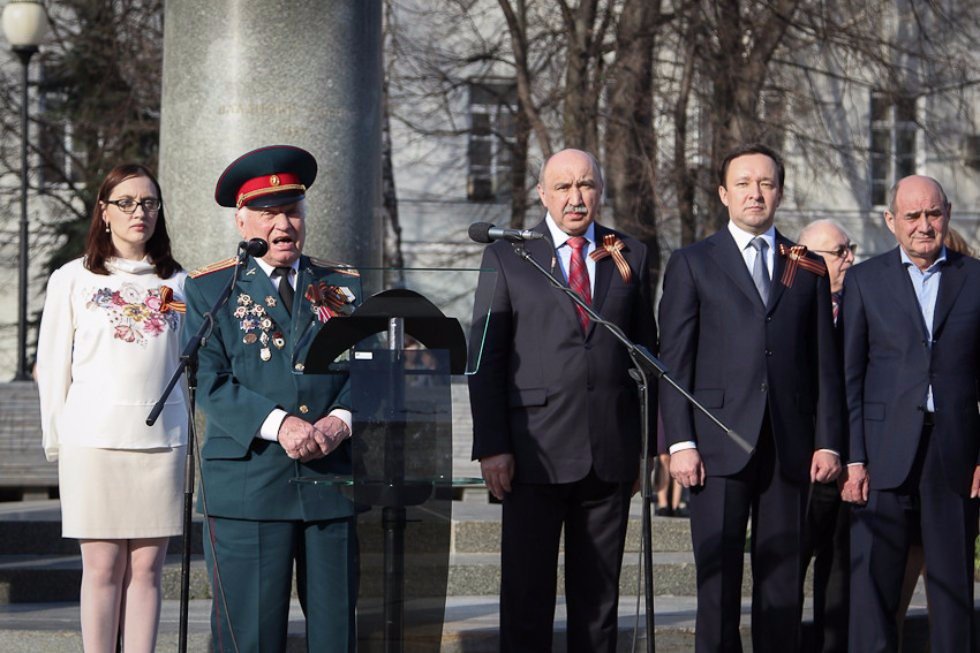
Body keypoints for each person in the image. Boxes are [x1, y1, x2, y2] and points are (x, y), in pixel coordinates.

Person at [468, 148, 657, 653]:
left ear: (600, 190)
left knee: (598, 606)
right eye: (564, 187)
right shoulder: (508, 255)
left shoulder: (629, 253)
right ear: (542, 194)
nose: (577, 198)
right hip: (533, 454)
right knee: (527, 599)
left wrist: (645, 446)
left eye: (587, 186)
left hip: (609, 454)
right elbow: (485, 356)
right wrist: (492, 445)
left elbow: (647, 354)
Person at [658, 143, 844, 653]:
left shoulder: (803, 266)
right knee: (717, 584)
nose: (755, 193)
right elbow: (673, 363)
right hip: (715, 446)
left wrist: (828, 442)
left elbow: (823, 363)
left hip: (789, 446)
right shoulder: (693, 263)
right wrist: (679, 442)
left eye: (765, 183)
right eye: (743, 184)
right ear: (723, 194)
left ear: (780, 192)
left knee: (782, 584)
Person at [183, 145, 360, 652]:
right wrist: (281, 424)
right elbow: (210, 380)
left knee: (335, 636)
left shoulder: (342, 286)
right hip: (250, 485)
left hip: (332, 481)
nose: (284, 224)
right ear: (243, 223)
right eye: (268, 213)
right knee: (251, 638)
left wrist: (340, 421)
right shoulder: (211, 288)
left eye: (293, 211)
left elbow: (370, 372)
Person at [36, 164, 187, 653]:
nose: (138, 212)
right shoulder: (72, 279)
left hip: (160, 441)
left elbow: (186, 356)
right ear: (103, 212)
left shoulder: (176, 285)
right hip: (93, 442)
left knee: (146, 570)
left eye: (148, 203)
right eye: (125, 202)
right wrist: (56, 438)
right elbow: (52, 363)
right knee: (102, 568)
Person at [842, 175, 980, 653]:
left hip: (954, 454)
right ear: (891, 221)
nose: (924, 226)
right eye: (913, 216)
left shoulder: (976, 278)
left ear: (948, 214)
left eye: (933, 214)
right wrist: (854, 457)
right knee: (873, 590)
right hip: (881, 457)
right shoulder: (865, 279)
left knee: (954, 588)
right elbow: (850, 378)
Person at [796, 218, 855, 653]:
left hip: (846, 466)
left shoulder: (861, 304)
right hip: (798, 466)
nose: (850, 258)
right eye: (839, 251)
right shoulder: (791, 307)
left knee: (838, 575)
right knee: (789, 572)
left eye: (849, 248)